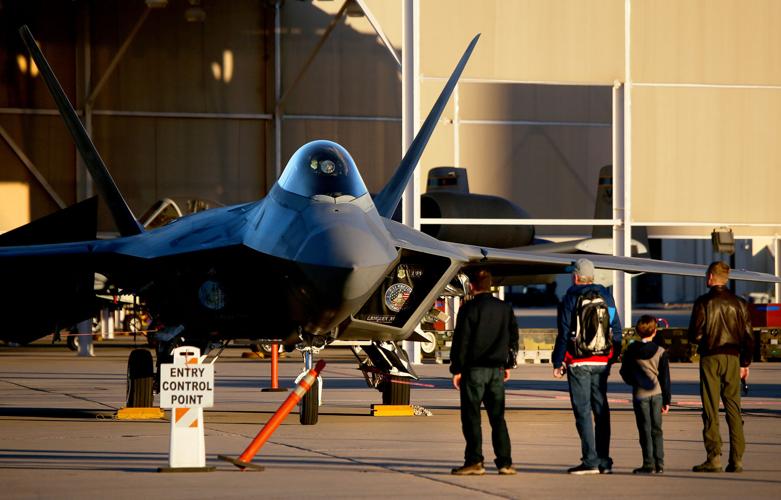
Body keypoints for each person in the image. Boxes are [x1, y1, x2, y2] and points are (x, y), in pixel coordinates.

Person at [552, 258, 622, 475]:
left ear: (575, 276)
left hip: (579, 361)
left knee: (583, 411)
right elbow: (616, 329)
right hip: (602, 361)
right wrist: (612, 356)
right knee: (602, 410)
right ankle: (604, 461)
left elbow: (564, 333)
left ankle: (590, 460)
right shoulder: (607, 297)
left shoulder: (570, 298)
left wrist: (558, 361)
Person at [450, 269, 519, 476]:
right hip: (496, 371)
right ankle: (505, 462)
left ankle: (475, 461)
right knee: (498, 418)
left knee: (472, 418)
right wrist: (508, 365)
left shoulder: (468, 309)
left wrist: (457, 369)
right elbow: (513, 338)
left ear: (472, 286)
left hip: (474, 371)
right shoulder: (504, 308)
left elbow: (461, 342)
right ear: (490, 286)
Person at [688, 261, 753, 473]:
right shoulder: (740, 303)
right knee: (734, 407)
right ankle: (737, 459)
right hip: (733, 358)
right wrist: (745, 363)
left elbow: (695, 335)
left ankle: (713, 456)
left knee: (710, 408)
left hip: (710, 357)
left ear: (710, 278)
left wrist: (704, 337)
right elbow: (749, 337)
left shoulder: (703, 302)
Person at [620, 315, 671, 474]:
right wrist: (667, 400)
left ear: (637, 331)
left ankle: (648, 463)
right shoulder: (661, 351)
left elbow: (624, 372)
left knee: (644, 429)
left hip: (640, 393)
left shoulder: (631, 350)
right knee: (657, 429)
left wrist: (634, 382)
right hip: (657, 394)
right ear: (655, 332)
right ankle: (659, 463)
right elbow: (665, 378)